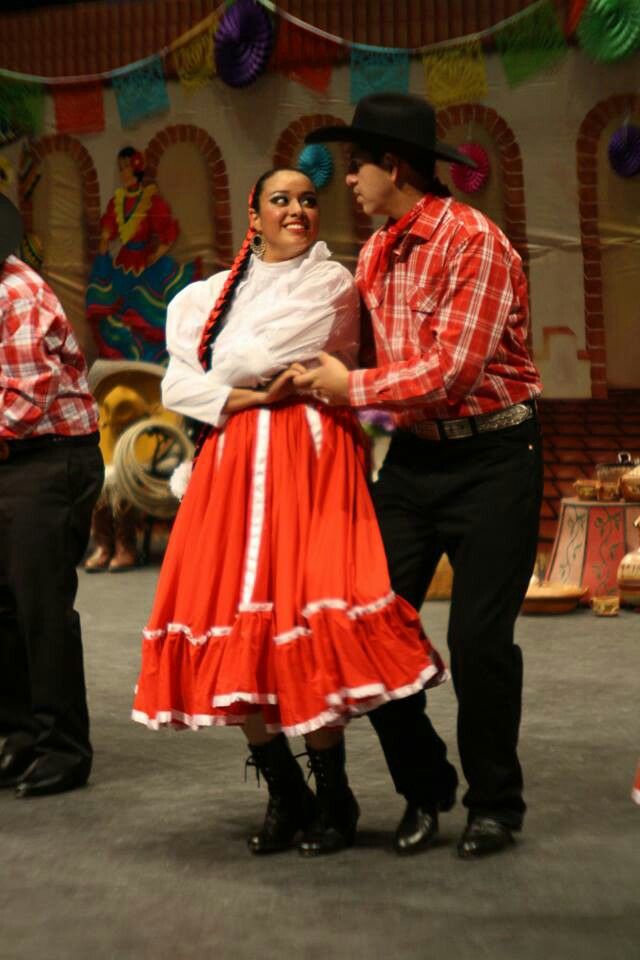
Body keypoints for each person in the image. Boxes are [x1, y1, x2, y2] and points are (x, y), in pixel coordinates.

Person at [132, 167, 447, 857]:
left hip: (307, 459)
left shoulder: (330, 283)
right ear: (255, 214)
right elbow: (185, 382)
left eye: (308, 199)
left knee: (304, 614)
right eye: (282, 199)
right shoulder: (203, 296)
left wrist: (227, 379)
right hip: (233, 462)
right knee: (229, 618)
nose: (298, 209)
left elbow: (257, 355)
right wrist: (244, 396)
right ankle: (286, 791)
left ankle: (334, 793)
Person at [296, 92, 543, 858]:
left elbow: (450, 373)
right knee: (364, 623)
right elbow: (383, 377)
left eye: (354, 168)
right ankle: (426, 785)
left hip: (495, 457)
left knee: (477, 642)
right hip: (417, 460)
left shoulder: (475, 241)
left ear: (392, 166)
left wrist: (349, 390)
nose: (348, 184)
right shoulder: (374, 252)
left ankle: (495, 803)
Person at [0, 194, 104, 797]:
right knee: (1, 608)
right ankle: (16, 736)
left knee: (40, 608)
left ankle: (63, 747)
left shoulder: (17, 293)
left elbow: (22, 400)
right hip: (10, 456)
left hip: (46, 458)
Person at [86, 146, 200, 365]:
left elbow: (166, 230)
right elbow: (108, 228)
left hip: (144, 264)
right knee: (113, 309)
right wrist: (104, 243)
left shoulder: (149, 200)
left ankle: (150, 361)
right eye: (121, 168)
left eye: (127, 167)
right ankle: (125, 359)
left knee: (145, 311)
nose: (124, 173)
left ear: (137, 168)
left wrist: (157, 254)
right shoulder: (117, 201)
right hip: (123, 264)